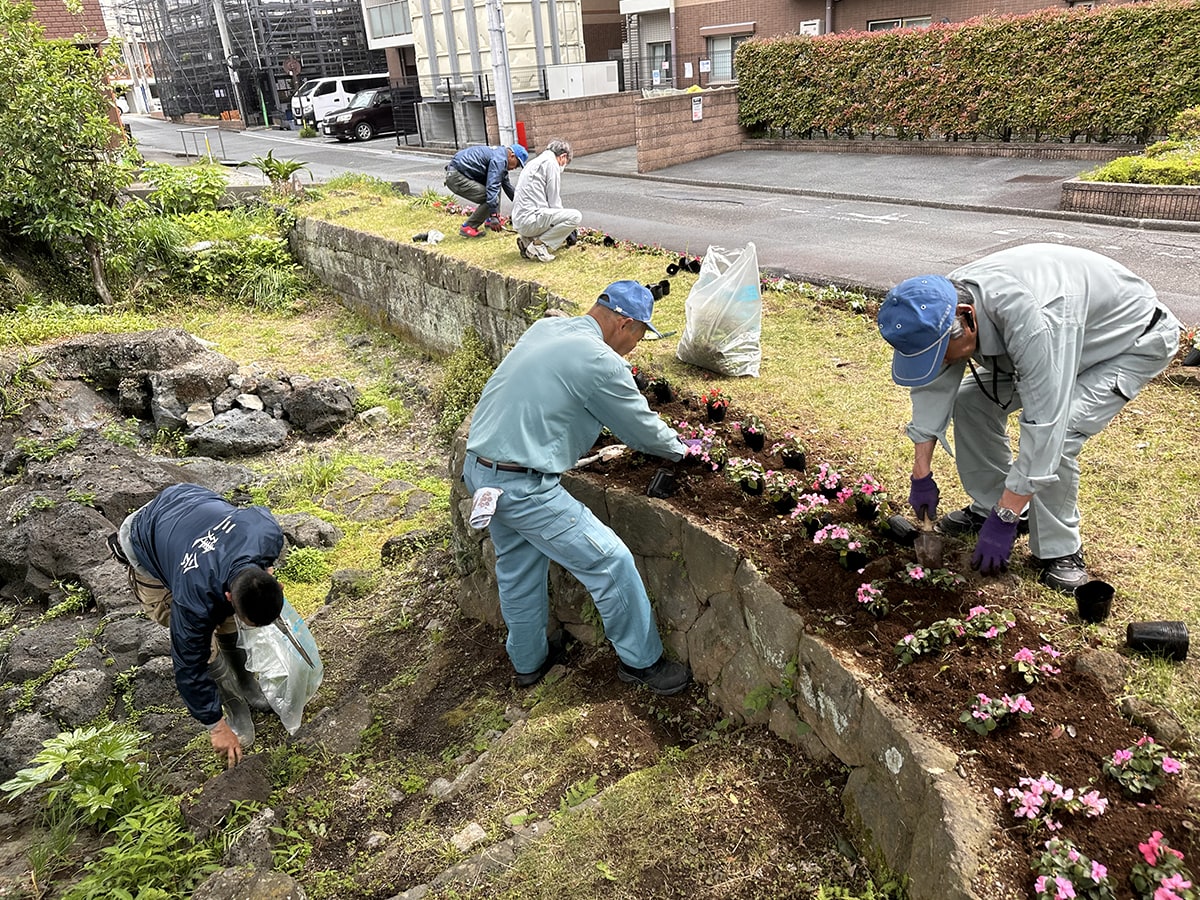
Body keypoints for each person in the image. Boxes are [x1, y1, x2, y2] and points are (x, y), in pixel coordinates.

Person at [878, 243, 1180, 593]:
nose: (941, 364)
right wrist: (921, 473)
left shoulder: (1033, 318)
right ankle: (996, 505)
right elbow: (933, 387)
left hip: (1126, 342)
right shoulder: (940, 303)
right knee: (970, 402)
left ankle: (1060, 550)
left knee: (1061, 433)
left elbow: (1046, 422)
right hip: (1062, 343)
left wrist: (1004, 518)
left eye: (940, 355)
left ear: (967, 318)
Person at [464, 281, 695, 694]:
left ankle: (528, 663)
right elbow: (641, 431)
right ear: (625, 324)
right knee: (610, 561)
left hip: (480, 470)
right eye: (640, 335)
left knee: (518, 569)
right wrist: (684, 451)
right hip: (522, 488)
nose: (636, 346)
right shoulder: (601, 361)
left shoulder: (548, 329)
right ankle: (642, 663)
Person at [109, 483, 285, 767]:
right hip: (144, 537)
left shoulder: (266, 533)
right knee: (204, 641)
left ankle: (247, 686)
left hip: (189, 500)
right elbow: (189, 664)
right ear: (229, 596)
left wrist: (263, 566)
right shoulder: (192, 602)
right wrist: (215, 726)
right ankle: (235, 709)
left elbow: (257, 545)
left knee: (227, 617)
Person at [511, 138, 582, 263]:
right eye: (566, 162)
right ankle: (539, 245)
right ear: (563, 156)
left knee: (548, 216)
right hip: (530, 220)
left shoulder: (534, 162)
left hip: (519, 220)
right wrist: (569, 230)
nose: (564, 165)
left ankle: (527, 242)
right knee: (575, 217)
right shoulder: (551, 164)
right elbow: (554, 202)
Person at [444, 143, 529, 239]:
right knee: (488, 196)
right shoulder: (499, 160)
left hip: (460, 173)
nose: (515, 168)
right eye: (517, 164)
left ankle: (489, 220)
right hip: (456, 178)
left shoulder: (500, 156)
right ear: (512, 156)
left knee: (495, 189)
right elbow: (492, 187)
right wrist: (494, 214)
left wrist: (524, 205)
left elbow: (508, 187)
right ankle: (468, 227)